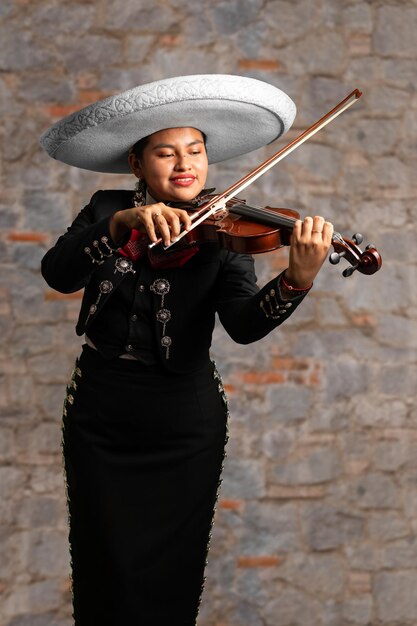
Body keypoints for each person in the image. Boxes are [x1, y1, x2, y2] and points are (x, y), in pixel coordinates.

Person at [40, 74, 333, 626]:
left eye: (195, 151)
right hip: (101, 412)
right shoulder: (105, 209)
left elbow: (244, 326)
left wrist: (295, 279)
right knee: (102, 564)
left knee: (172, 572)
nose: (185, 164)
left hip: (184, 420)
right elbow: (58, 274)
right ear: (137, 164)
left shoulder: (227, 229)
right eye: (166, 152)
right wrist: (120, 223)